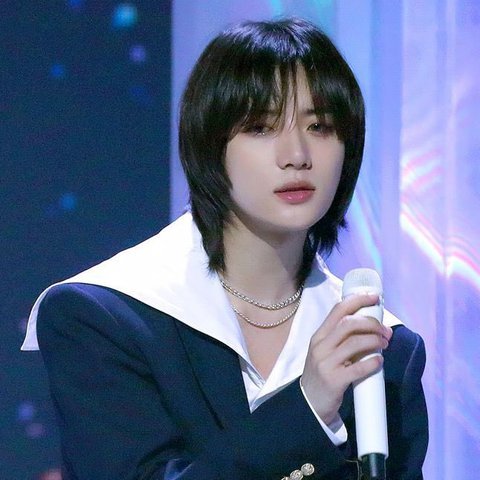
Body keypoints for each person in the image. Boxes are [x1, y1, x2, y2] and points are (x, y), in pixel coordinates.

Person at [22, 18, 428, 480]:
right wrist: (307, 408)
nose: (297, 155)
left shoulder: (386, 350)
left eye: (319, 126)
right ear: (209, 144)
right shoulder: (105, 317)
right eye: (261, 127)